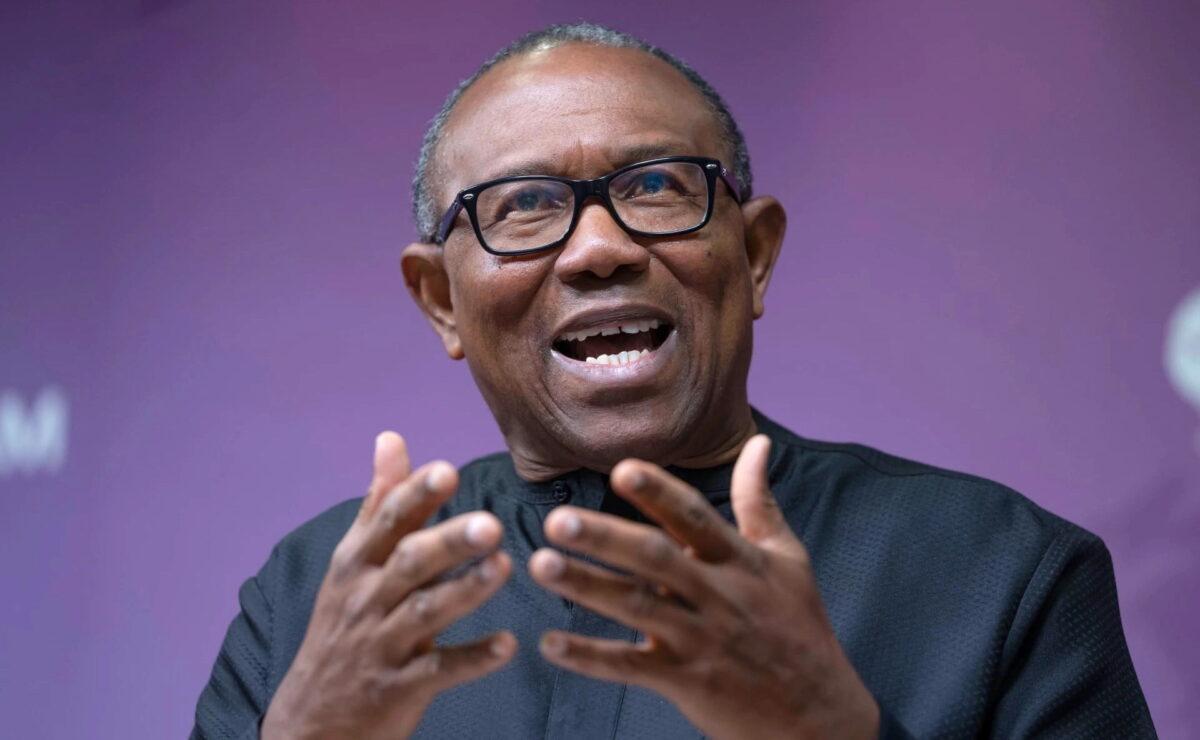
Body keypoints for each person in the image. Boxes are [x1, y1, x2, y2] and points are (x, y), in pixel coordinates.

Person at [191, 23, 1155, 739]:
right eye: (524, 206)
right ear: (442, 299)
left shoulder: (1003, 572)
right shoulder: (311, 604)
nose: (598, 249)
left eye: (656, 186)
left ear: (757, 255)